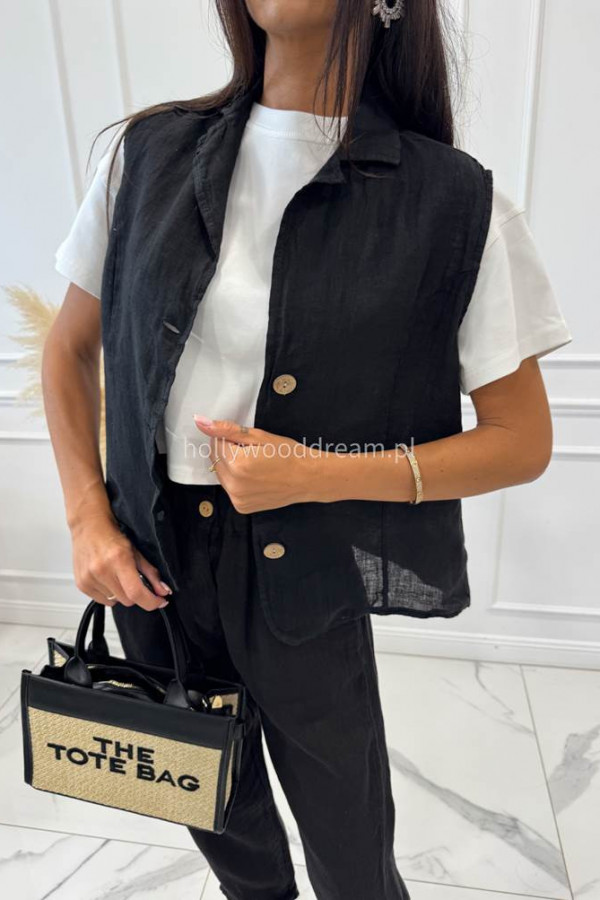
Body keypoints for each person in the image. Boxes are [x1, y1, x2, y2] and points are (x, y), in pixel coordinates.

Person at [44, 1, 572, 898]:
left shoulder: (451, 203)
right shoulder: (146, 154)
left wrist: (319, 475)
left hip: (306, 567)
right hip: (151, 560)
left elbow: (521, 442)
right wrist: (87, 517)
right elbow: (68, 348)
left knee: (349, 841)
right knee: (214, 812)